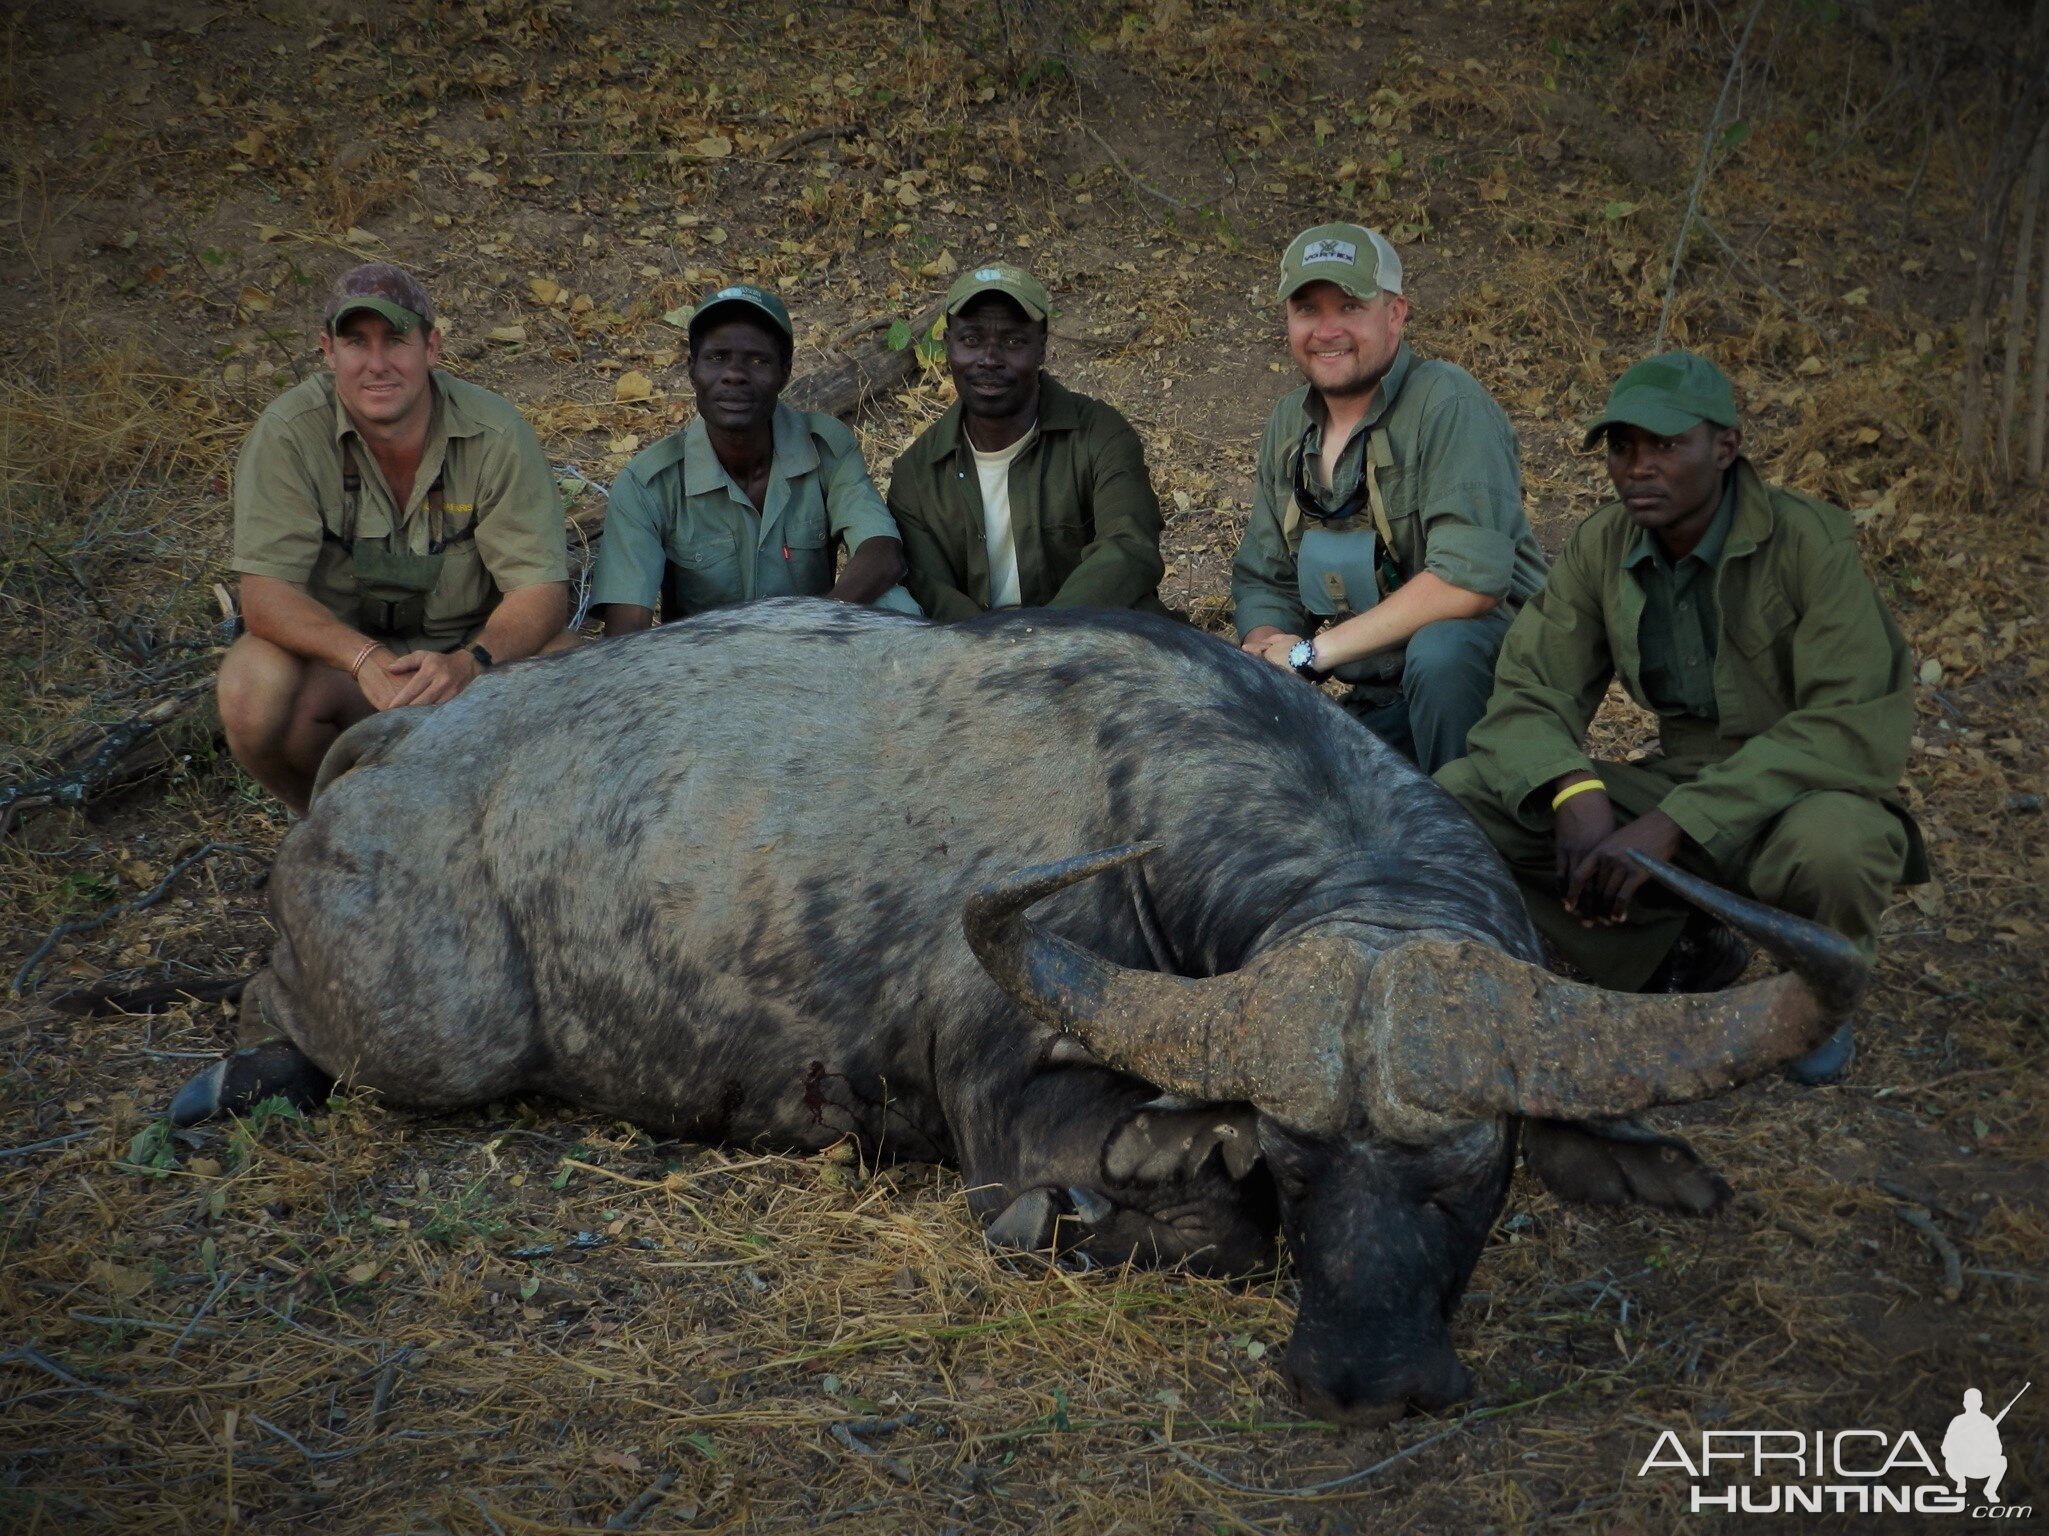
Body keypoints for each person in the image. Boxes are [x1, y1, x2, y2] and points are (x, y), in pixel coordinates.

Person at [1436, 350, 1925, 1084]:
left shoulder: (1808, 544)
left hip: (1798, 792)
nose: (1638, 467)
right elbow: (1528, 694)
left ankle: (1814, 1002)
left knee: (1839, 843)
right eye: (1622, 447)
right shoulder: (1603, 544)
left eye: (1666, 445)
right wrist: (1571, 789)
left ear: (1724, 447)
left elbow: (1848, 725)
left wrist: (1673, 823)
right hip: (1677, 781)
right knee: (1459, 798)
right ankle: (1673, 947)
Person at [220, 263, 570, 814]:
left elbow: (541, 590)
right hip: (350, 675)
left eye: (396, 341)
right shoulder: (289, 433)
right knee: (251, 685)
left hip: (474, 672)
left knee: (572, 667)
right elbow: (265, 596)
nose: (377, 365)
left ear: (431, 347)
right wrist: (362, 658)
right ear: (327, 351)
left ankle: (514, 825)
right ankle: (326, 827)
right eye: (356, 342)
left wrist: (469, 661)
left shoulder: (496, 431)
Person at [1232, 223, 1547, 773]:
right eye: (1307, 309)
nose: (1327, 331)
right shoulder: (1288, 424)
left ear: (1396, 314)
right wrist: (1268, 651)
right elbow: (1267, 579)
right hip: (1382, 692)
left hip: (1491, 685)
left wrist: (1311, 655)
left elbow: (1467, 582)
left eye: (1350, 307)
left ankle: (1479, 831)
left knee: (1442, 651)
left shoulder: (1446, 401)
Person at [589, 283, 915, 631]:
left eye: (757, 360)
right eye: (717, 358)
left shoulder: (825, 447)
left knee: (894, 604)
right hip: (704, 668)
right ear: (692, 370)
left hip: (814, 646)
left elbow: (882, 552)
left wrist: (811, 631)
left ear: (785, 373)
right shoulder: (649, 482)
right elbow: (626, 629)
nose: (735, 375)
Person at [887, 263, 1168, 619]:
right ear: (948, 348)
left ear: (1042, 349)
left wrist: (1038, 639)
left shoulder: (1100, 435)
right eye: (971, 340)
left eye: (1013, 341)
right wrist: (1001, 654)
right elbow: (931, 594)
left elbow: (1130, 548)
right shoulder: (916, 475)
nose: (989, 359)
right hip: (975, 660)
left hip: (1094, 644)